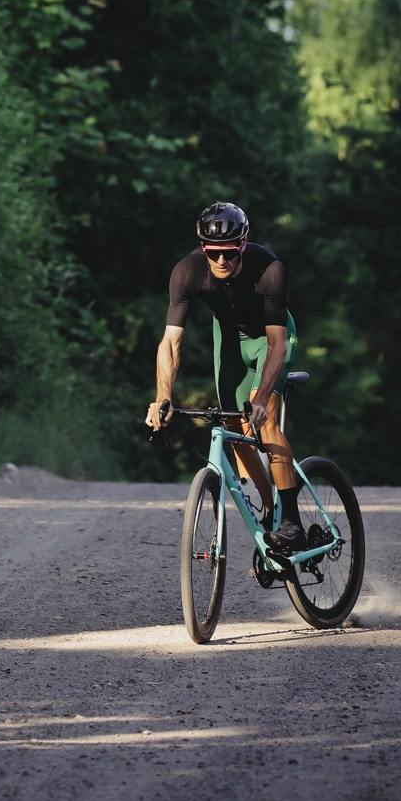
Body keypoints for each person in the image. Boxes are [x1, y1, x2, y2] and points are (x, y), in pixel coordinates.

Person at [145, 200, 306, 553]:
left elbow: (277, 344)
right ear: (203, 248)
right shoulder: (186, 272)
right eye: (212, 252)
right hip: (231, 339)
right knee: (233, 427)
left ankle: (293, 522)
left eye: (229, 253)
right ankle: (271, 512)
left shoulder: (269, 269)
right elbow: (170, 343)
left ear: (243, 245)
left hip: (270, 338)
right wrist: (162, 396)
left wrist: (260, 398)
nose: (220, 260)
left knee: (262, 419)